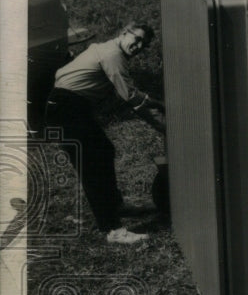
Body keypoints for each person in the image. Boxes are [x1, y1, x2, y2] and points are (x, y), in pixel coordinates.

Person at [44, 22, 165, 245]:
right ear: (124, 33)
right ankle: (113, 230)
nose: (138, 46)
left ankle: (115, 204)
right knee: (92, 166)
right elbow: (131, 97)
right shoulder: (113, 54)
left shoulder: (105, 48)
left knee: (104, 151)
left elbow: (132, 98)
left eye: (143, 44)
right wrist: (162, 121)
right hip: (66, 108)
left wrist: (157, 110)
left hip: (68, 105)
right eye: (136, 39)